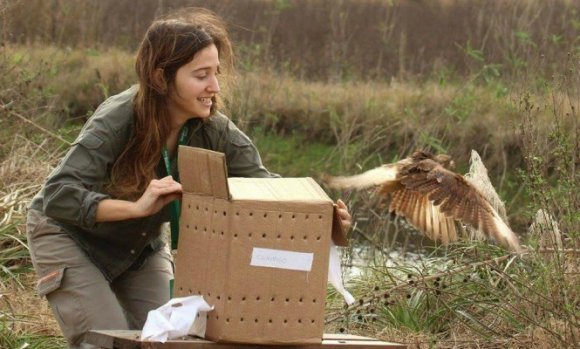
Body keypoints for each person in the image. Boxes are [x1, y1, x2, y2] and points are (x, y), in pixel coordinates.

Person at [26, 8, 351, 349]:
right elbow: (58, 196)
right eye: (201, 75)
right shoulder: (117, 118)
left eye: (216, 73)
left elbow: (266, 190)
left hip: (138, 247)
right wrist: (136, 208)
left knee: (171, 340)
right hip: (69, 237)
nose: (214, 86)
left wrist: (323, 216)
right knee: (105, 341)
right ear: (160, 78)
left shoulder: (216, 129)